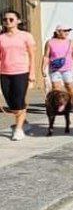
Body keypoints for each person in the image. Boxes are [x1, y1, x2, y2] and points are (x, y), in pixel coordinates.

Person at [0, 9, 36, 141]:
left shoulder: (26, 36)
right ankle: (24, 122)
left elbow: (32, 55)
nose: (8, 22)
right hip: (5, 73)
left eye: (11, 19)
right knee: (11, 103)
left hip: (21, 72)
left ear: (18, 21)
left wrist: (32, 73)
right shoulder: (1, 38)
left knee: (19, 101)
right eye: (5, 20)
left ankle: (19, 129)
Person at [42, 24, 73, 112]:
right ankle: (59, 105)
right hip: (54, 69)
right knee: (56, 88)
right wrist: (43, 68)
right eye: (65, 30)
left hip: (67, 69)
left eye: (68, 30)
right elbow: (46, 56)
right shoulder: (50, 42)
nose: (67, 32)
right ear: (58, 32)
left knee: (69, 86)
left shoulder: (71, 42)